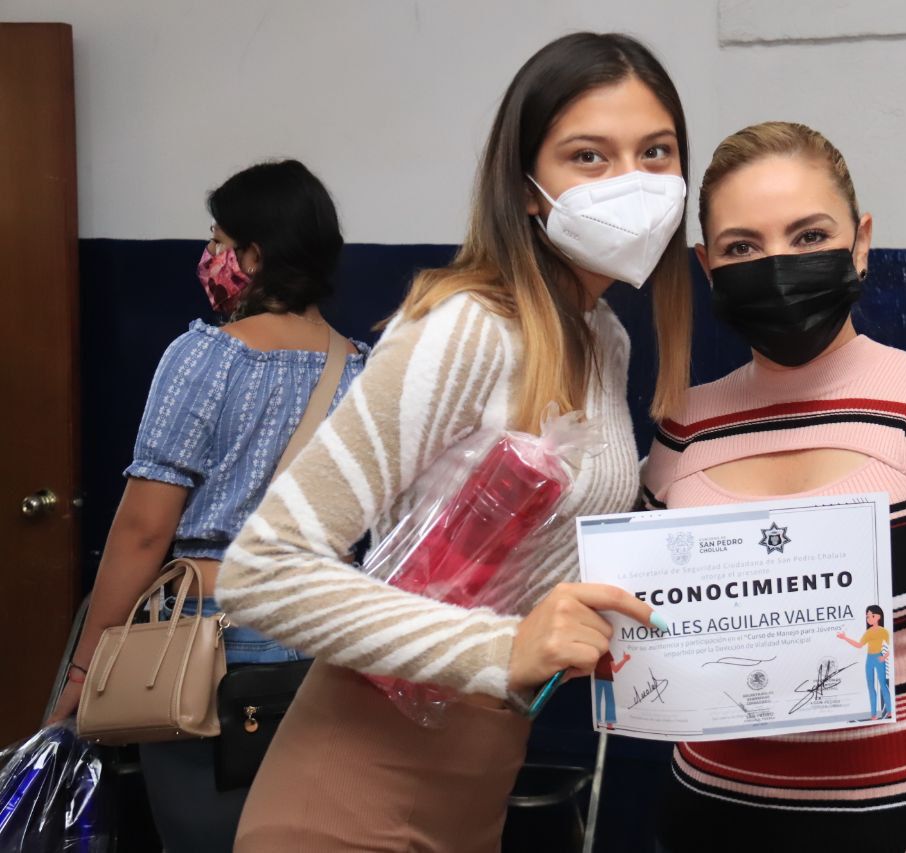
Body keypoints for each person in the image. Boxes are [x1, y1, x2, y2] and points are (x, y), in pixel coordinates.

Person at [215, 32, 691, 851]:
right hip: (352, 786)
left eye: (656, 152)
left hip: (479, 778)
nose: (632, 183)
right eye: (589, 155)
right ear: (531, 189)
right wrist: (505, 646)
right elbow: (262, 572)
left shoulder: (602, 336)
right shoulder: (469, 326)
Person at [642, 122, 906, 853]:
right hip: (705, 824)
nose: (778, 265)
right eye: (742, 248)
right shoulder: (681, 425)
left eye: (808, 235)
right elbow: (640, 635)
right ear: (707, 266)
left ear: (859, 242)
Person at [46, 159, 368, 852]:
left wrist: (84, 666)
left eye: (220, 241)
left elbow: (141, 530)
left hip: (207, 641)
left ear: (255, 255)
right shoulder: (364, 372)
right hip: (327, 640)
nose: (212, 257)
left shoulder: (205, 358)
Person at [837, 604, 892, 718]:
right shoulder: (868, 632)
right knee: (871, 687)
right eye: (867, 616)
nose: (869, 618)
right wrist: (845, 638)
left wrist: (884, 656)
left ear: (878, 617)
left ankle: (890, 710)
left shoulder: (884, 631)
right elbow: (859, 645)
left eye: (871, 615)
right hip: (870, 659)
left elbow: (890, 648)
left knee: (883, 685)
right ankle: (873, 714)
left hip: (879, 658)